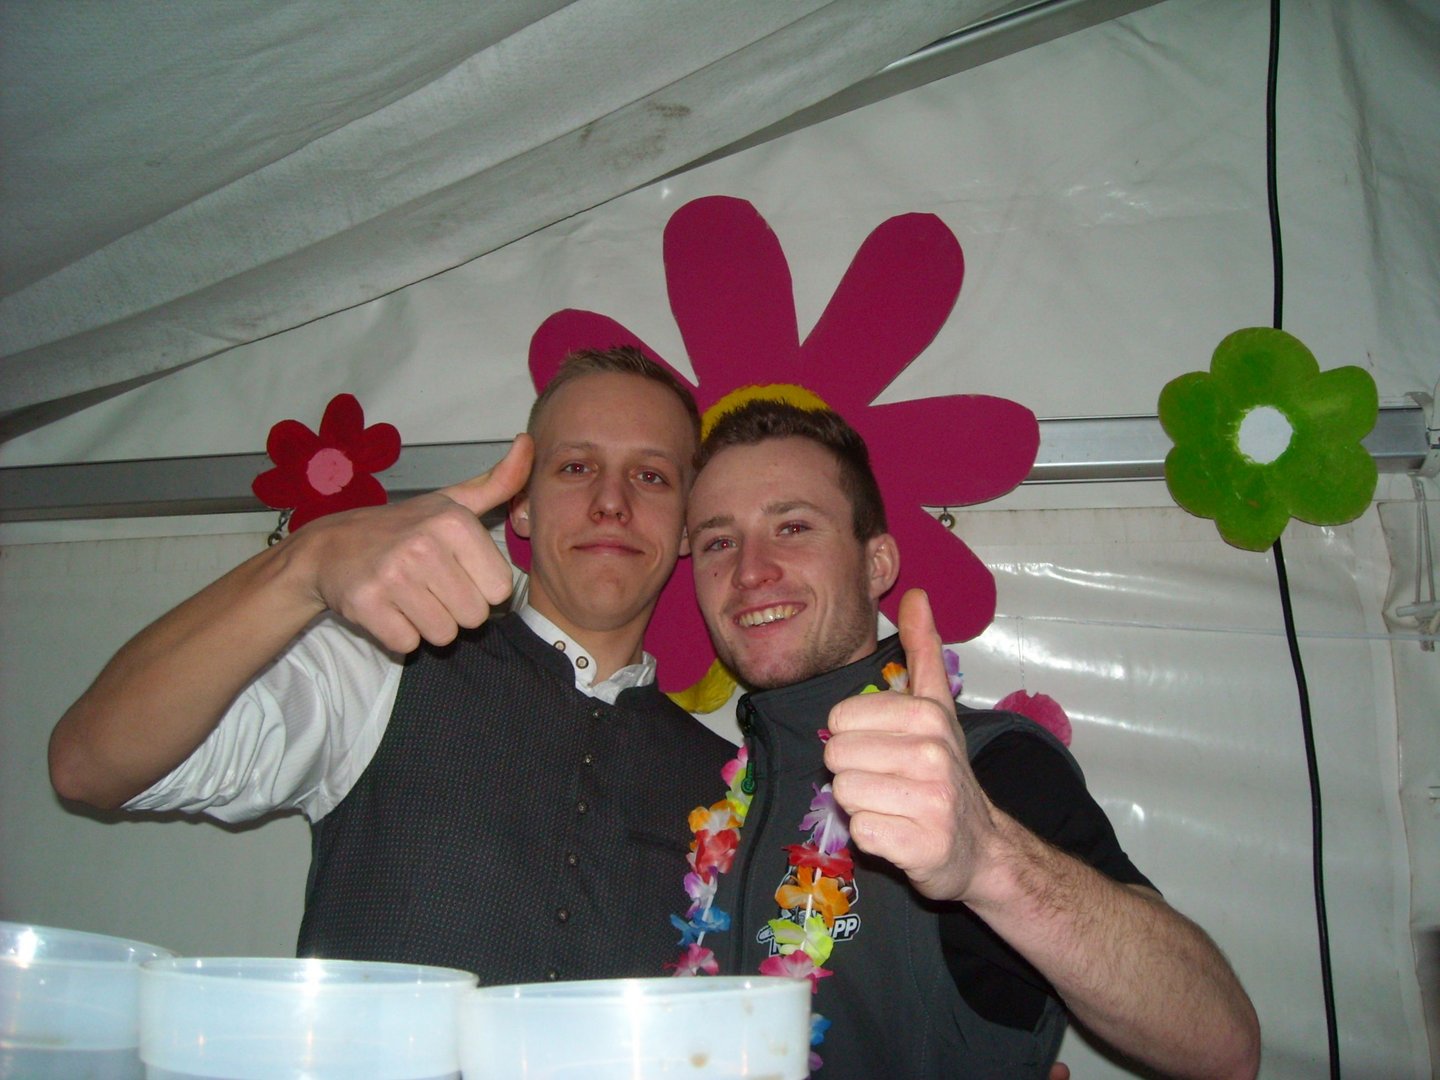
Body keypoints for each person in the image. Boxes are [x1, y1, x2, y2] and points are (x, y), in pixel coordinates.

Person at [48, 347, 734, 984]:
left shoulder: (727, 782)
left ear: (685, 526)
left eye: (650, 476)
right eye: (576, 468)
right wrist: (305, 564)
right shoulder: (384, 665)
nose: (611, 503)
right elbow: (90, 763)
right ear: (521, 507)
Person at [681, 401, 1262, 1079]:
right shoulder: (714, 798)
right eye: (719, 542)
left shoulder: (982, 764)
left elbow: (1221, 1044)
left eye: (793, 526)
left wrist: (988, 859)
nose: (750, 570)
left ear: (876, 564)